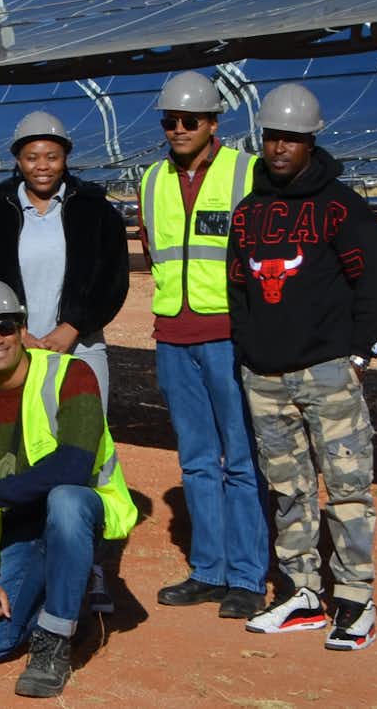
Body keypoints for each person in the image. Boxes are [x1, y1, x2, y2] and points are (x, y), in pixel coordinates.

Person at [229, 83, 377, 652]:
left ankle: (356, 599)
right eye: (272, 137)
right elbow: (239, 288)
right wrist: (249, 351)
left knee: (347, 488)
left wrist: (361, 351)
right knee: (287, 489)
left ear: (310, 141)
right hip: (265, 377)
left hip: (326, 371)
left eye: (291, 139)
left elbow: (372, 279)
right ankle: (301, 593)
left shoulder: (341, 207)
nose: (279, 148)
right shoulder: (249, 212)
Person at [0, 280, 138, 699]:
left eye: (4, 327)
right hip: (16, 535)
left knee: (65, 499)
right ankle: (71, 601)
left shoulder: (71, 373)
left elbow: (74, 465)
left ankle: (55, 640)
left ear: (21, 327)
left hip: (80, 517)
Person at [139, 71, 271, 619]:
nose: (177, 129)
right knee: (195, 461)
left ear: (214, 123)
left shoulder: (247, 173)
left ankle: (246, 576)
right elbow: (153, 253)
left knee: (241, 460)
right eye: (169, 121)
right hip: (173, 336)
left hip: (230, 337)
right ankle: (208, 570)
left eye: (189, 120)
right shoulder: (151, 180)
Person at [0, 112, 130, 406]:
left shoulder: (95, 211)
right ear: (18, 160)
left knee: (86, 437)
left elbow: (112, 278)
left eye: (52, 157)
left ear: (65, 158)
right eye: (31, 158)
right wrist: (15, 333)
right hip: (11, 349)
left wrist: (73, 326)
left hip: (80, 346)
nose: (42, 166)